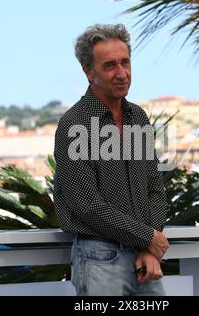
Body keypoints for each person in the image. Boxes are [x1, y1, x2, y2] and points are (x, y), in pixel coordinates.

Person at [53, 23, 169, 296]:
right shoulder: (74, 124)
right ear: (88, 72)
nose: (122, 74)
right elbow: (87, 204)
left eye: (125, 62)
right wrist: (148, 238)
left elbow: (155, 188)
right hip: (99, 258)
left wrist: (148, 248)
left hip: (145, 259)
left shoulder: (137, 118)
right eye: (110, 66)